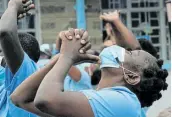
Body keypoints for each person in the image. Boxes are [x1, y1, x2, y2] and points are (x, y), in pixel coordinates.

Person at [11, 29, 168, 117]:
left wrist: (67, 57)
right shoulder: (96, 103)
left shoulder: (125, 101)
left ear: (132, 77)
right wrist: (61, 58)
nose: (122, 50)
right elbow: (20, 98)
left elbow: (45, 100)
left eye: (131, 54)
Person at [0, 0, 42, 117]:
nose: (2, 57)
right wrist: (11, 18)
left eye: (4, 52)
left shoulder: (26, 71)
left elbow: (5, 32)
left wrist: (13, 6)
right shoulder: (6, 78)